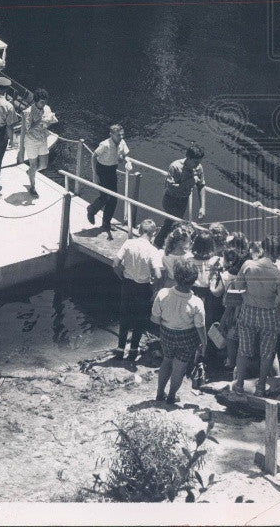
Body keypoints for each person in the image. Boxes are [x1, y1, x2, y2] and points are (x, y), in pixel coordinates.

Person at [231, 240, 280, 397]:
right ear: (279, 253)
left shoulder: (248, 265)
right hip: (269, 314)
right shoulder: (279, 272)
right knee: (267, 352)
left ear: (264, 248)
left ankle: (239, 384)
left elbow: (238, 287)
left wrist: (247, 296)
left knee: (243, 350)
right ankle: (261, 387)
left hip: (248, 310)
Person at [151, 259, 207, 406]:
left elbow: (155, 319)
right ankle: (171, 396)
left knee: (166, 361)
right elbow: (200, 326)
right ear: (194, 280)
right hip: (187, 338)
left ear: (175, 276)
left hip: (167, 334)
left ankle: (159, 393)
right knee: (180, 367)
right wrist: (204, 343)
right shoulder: (196, 302)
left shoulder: (162, 294)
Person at [113, 219, 162, 362]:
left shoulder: (128, 243)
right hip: (143, 287)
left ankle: (120, 350)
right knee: (139, 319)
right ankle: (133, 351)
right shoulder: (153, 250)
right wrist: (153, 286)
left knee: (125, 316)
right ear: (153, 234)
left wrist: (121, 276)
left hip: (128, 284)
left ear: (139, 231)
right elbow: (158, 274)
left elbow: (115, 264)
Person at [154, 143, 207, 248]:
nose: (197, 165)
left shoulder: (198, 168)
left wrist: (202, 207)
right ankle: (157, 244)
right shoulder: (175, 166)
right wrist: (190, 181)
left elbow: (201, 186)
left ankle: (167, 244)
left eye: (199, 162)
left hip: (183, 200)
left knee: (174, 223)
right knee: (171, 223)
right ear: (188, 158)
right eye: (195, 162)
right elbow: (171, 187)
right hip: (170, 199)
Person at [87, 124, 131, 240]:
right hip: (102, 170)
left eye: (122, 134)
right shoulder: (105, 144)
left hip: (112, 170)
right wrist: (95, 174)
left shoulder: (122, 142)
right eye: (118, 135)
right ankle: (91, 210)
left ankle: (106, 223)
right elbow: (94, 156)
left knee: (114, 199)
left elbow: (124, 155)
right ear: (111, 135)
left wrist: (127, 161)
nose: (121, 137)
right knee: (105, 196)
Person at [209, 243, 248, 370]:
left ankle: (231, 361)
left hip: (232, 312)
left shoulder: (226, 276)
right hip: (245, 310)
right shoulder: (245, 275)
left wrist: (212, 282)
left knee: (231, 337)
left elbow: (217, 293)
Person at [21, 88, 57, 198]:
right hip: (31, 141)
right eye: (42, 101)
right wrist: (40, 120)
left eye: (45, 101)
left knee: (43, 165)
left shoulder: (47, 108)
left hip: (42, 139)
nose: (44, 103)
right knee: (33, 165)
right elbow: (28, 128)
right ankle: (32, 187)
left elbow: (50, 121)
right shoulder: (28, 112)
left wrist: (49, 122)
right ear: (36, 101)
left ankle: (30, 172)